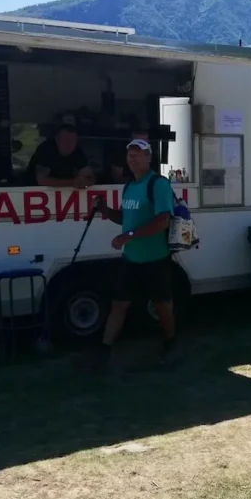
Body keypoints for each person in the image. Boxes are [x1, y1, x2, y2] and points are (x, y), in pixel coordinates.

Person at [92, 138, 177, 370]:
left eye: (138, 154)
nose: (133, 158)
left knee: (161, 305)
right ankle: (104, 350)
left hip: (155, 258)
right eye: (130, 154)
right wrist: (105, 210)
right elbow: (124, 218)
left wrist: (128, 236)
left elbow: (162, 221)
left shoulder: (158, 184)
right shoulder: (129, 186)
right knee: (119, 304)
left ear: (149, 157)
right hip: (131, 259)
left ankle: (171, 343)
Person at [26, 114, 94, 187]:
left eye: (72, 140)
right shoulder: (46, 150)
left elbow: (91, 176)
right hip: (28, 190)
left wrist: (87, 180)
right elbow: (42, 180)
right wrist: (73, 183)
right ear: (57, 139)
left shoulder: (78, 152)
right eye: (65, 140)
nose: (69, 144)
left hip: (65, 192)